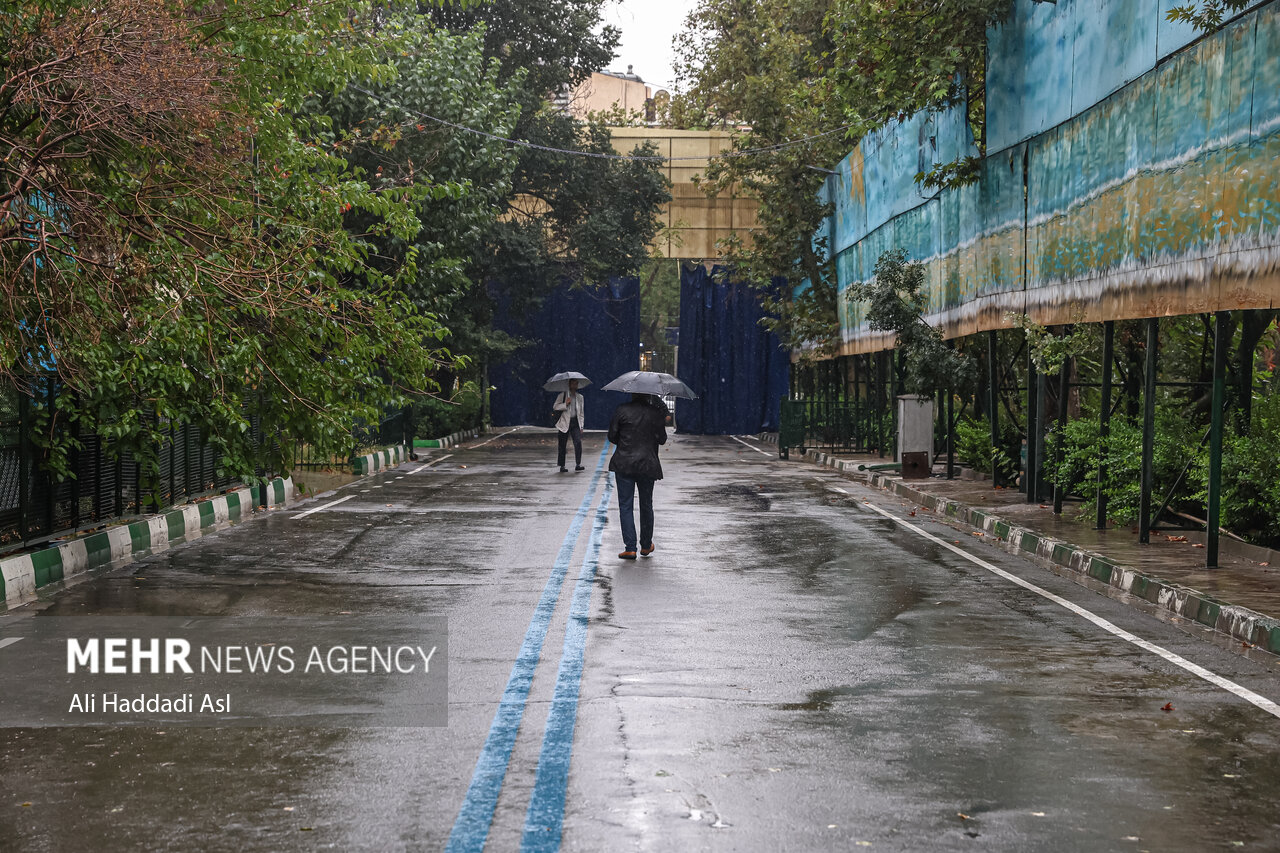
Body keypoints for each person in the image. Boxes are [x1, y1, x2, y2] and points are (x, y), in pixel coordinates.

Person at [607, 393, 667, 560]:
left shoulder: (622, 410)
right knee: (646, 505)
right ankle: (646, 545)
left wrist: (626, 438)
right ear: (648, 395)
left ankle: (630, 547)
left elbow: (612, 436)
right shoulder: (655, 413)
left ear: (632, 393)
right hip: (647, 465)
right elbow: (662, 439)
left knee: (626, 505)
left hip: (624, 463)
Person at [553, 379, 585, 472]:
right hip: (564, 422)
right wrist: (565, 404)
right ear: (569, 384)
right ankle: (562, 466)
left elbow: (581, 413)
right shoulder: (562, 395)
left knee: (578, 442)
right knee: (562, 445)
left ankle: (578, 464)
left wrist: (581, 426)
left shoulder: (580, 397)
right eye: (573, 383)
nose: (575, 385)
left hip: (575, 423)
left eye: (576, 383)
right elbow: (555, 406)